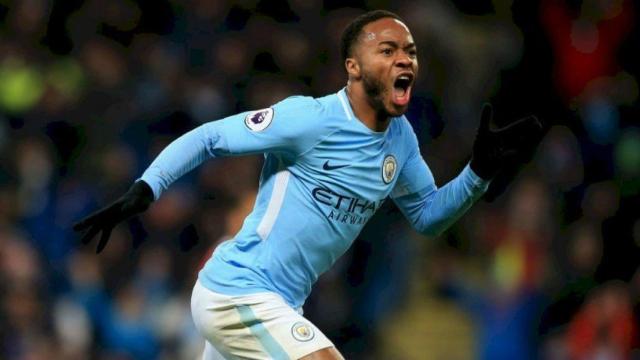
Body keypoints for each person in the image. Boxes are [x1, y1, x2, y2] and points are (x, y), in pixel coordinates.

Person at [73, 10, 544, 360]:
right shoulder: (310, 118)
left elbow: (427, 217)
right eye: (388, 50)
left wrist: (477, 173)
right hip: (237, 291)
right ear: (353, 67)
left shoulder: (400, 142)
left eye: (410, 52)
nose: (405, 60)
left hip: (280, 304)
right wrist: (147, 187)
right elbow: (212, 136)